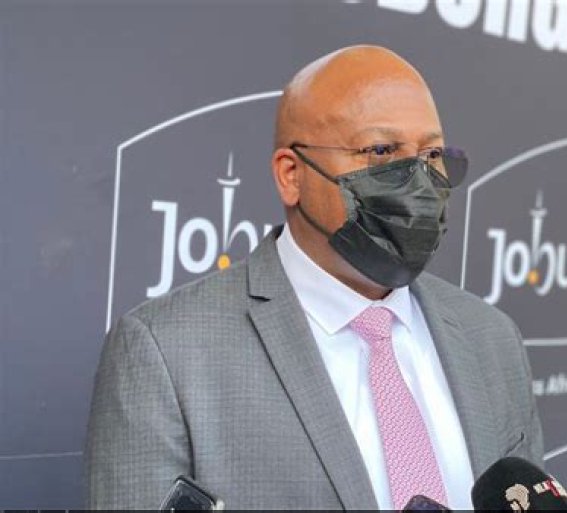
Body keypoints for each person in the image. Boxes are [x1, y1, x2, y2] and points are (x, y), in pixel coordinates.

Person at [85, 45, 543, 510]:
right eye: (381, 151)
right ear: (291, 175)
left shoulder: (492, 339)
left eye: (432, 154)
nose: (419, 182)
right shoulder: (167, 352)